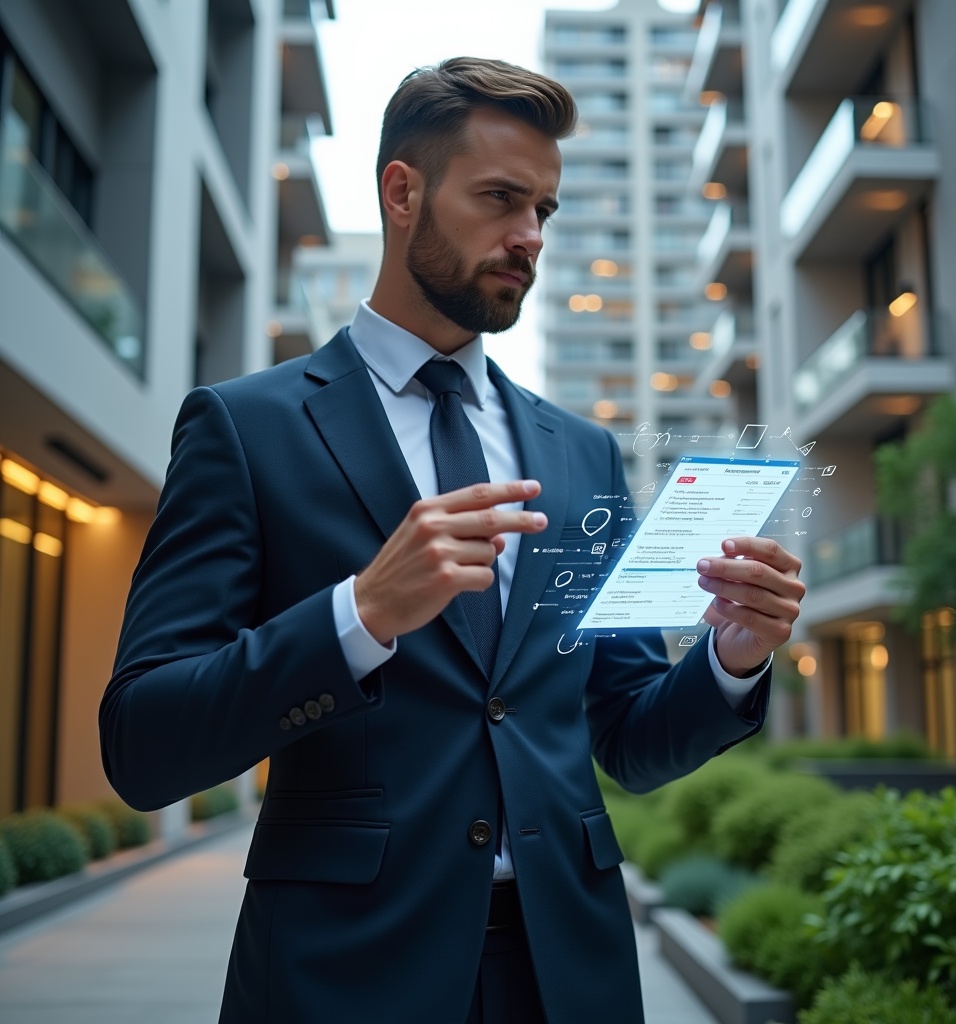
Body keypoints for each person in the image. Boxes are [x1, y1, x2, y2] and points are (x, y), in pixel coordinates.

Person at [100, 57, 805, 1024]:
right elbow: (143, 744)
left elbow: (629, 737)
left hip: (567, 974)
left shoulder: (582, 455)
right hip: (344, 974)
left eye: (544, 212)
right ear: (402, 192)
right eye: (502, 199)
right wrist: (360, 614)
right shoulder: (244, 427)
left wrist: (732, 656)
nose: (529, 238)